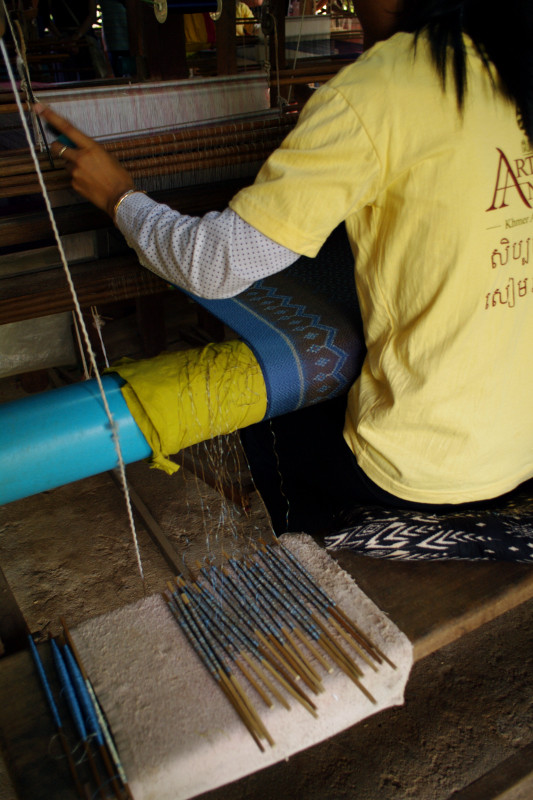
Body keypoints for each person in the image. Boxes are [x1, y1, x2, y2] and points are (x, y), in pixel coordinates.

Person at [36, 0, 533, 537]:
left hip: (427, 473)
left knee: (275, 414)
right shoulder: (511, 62)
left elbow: (213, 266)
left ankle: (320, 549)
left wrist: (117, 194)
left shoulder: (382, 87)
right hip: (525, 451)